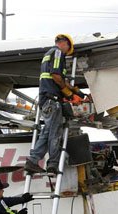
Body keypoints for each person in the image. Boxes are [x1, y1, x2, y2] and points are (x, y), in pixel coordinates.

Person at [24, 33, 87, 174]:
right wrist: (69, 94)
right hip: (52, 101)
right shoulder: (58, 52)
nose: (67, 52)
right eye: (68, 49)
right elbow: (56, 76)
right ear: (64, 43)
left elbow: (58, 78)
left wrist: (76, 91)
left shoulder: (48, 54)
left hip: (46, 100)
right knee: (55, 133)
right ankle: (53, 163)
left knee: (47, 132)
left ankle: (33, 161)